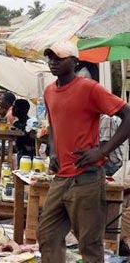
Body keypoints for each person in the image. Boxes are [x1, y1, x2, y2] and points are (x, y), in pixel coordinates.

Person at [37, 40, 130, 262]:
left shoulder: (89, 88)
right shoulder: (50, 92)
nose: (53, 63)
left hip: (86, 177)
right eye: (50, 58)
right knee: (47, 235)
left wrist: (102, 151)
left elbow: (127, 115)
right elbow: (52, 124)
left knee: (89, 243)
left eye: (59, 58)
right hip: (61, 178)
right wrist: (53, 151)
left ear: (75, 61)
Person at [11, 99, 35, 164]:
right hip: (20, 152)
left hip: (28, 155)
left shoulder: (30, 124)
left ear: (23, 110)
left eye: (14, 107)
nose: (12, 109)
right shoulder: (16, 123)